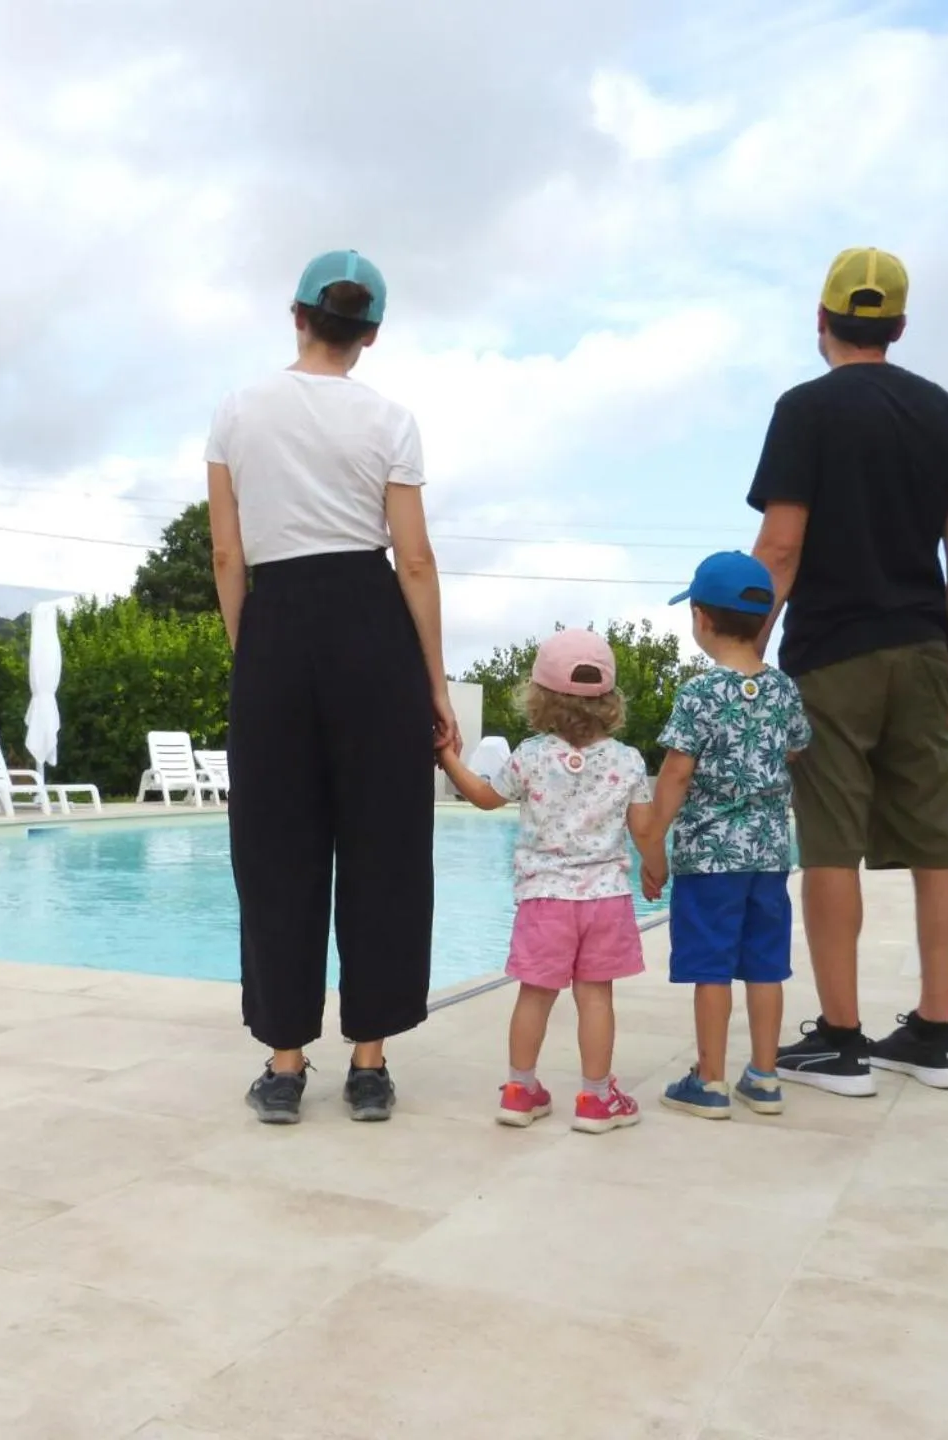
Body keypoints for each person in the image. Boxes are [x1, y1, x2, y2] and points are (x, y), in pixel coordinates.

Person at [206, 249, 459, 1125]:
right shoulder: (391, 420)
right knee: (385, 842)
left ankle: (283, 1065)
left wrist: (256, 652)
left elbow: (226, 554)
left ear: (297, 315)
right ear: (373, 334)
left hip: (275, 620)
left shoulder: (237, 411)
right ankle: (370, 1063)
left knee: (276, 846)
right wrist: (435, 683)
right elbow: (415, 559)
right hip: (370, 621)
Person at [746, 246, 948, 1097]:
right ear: (900, 327)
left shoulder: (806, 409)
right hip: (922, 645)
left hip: (833, 654)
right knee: (935, 843)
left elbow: (779, 547)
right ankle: (935, 1032)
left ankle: (842, 1042)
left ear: (822, 321)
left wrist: (749, 656)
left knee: (830, 847)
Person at [437, 629, 649, 1135]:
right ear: (611, 700)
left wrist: (446, 758)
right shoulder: (628, 760)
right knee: (596, 996)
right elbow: (643, 830)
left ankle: (519, 1090)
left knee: (534, 994)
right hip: (606, 899)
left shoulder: (530, 756)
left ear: (538, 697)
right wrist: (659, 865)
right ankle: (597, 1099)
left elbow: (486, 799)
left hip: (543, 899)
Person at [638, 553, 812, 1120]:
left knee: (711, 966)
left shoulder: (700, 694)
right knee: (766, 963)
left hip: (709, 858)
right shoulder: (783, 690)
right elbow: (794, 749)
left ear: (700, 617)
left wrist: (653, 841)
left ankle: (708, 1080)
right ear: (763, 621)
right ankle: (764, 1077)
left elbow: (677, 772)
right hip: (767, 853)